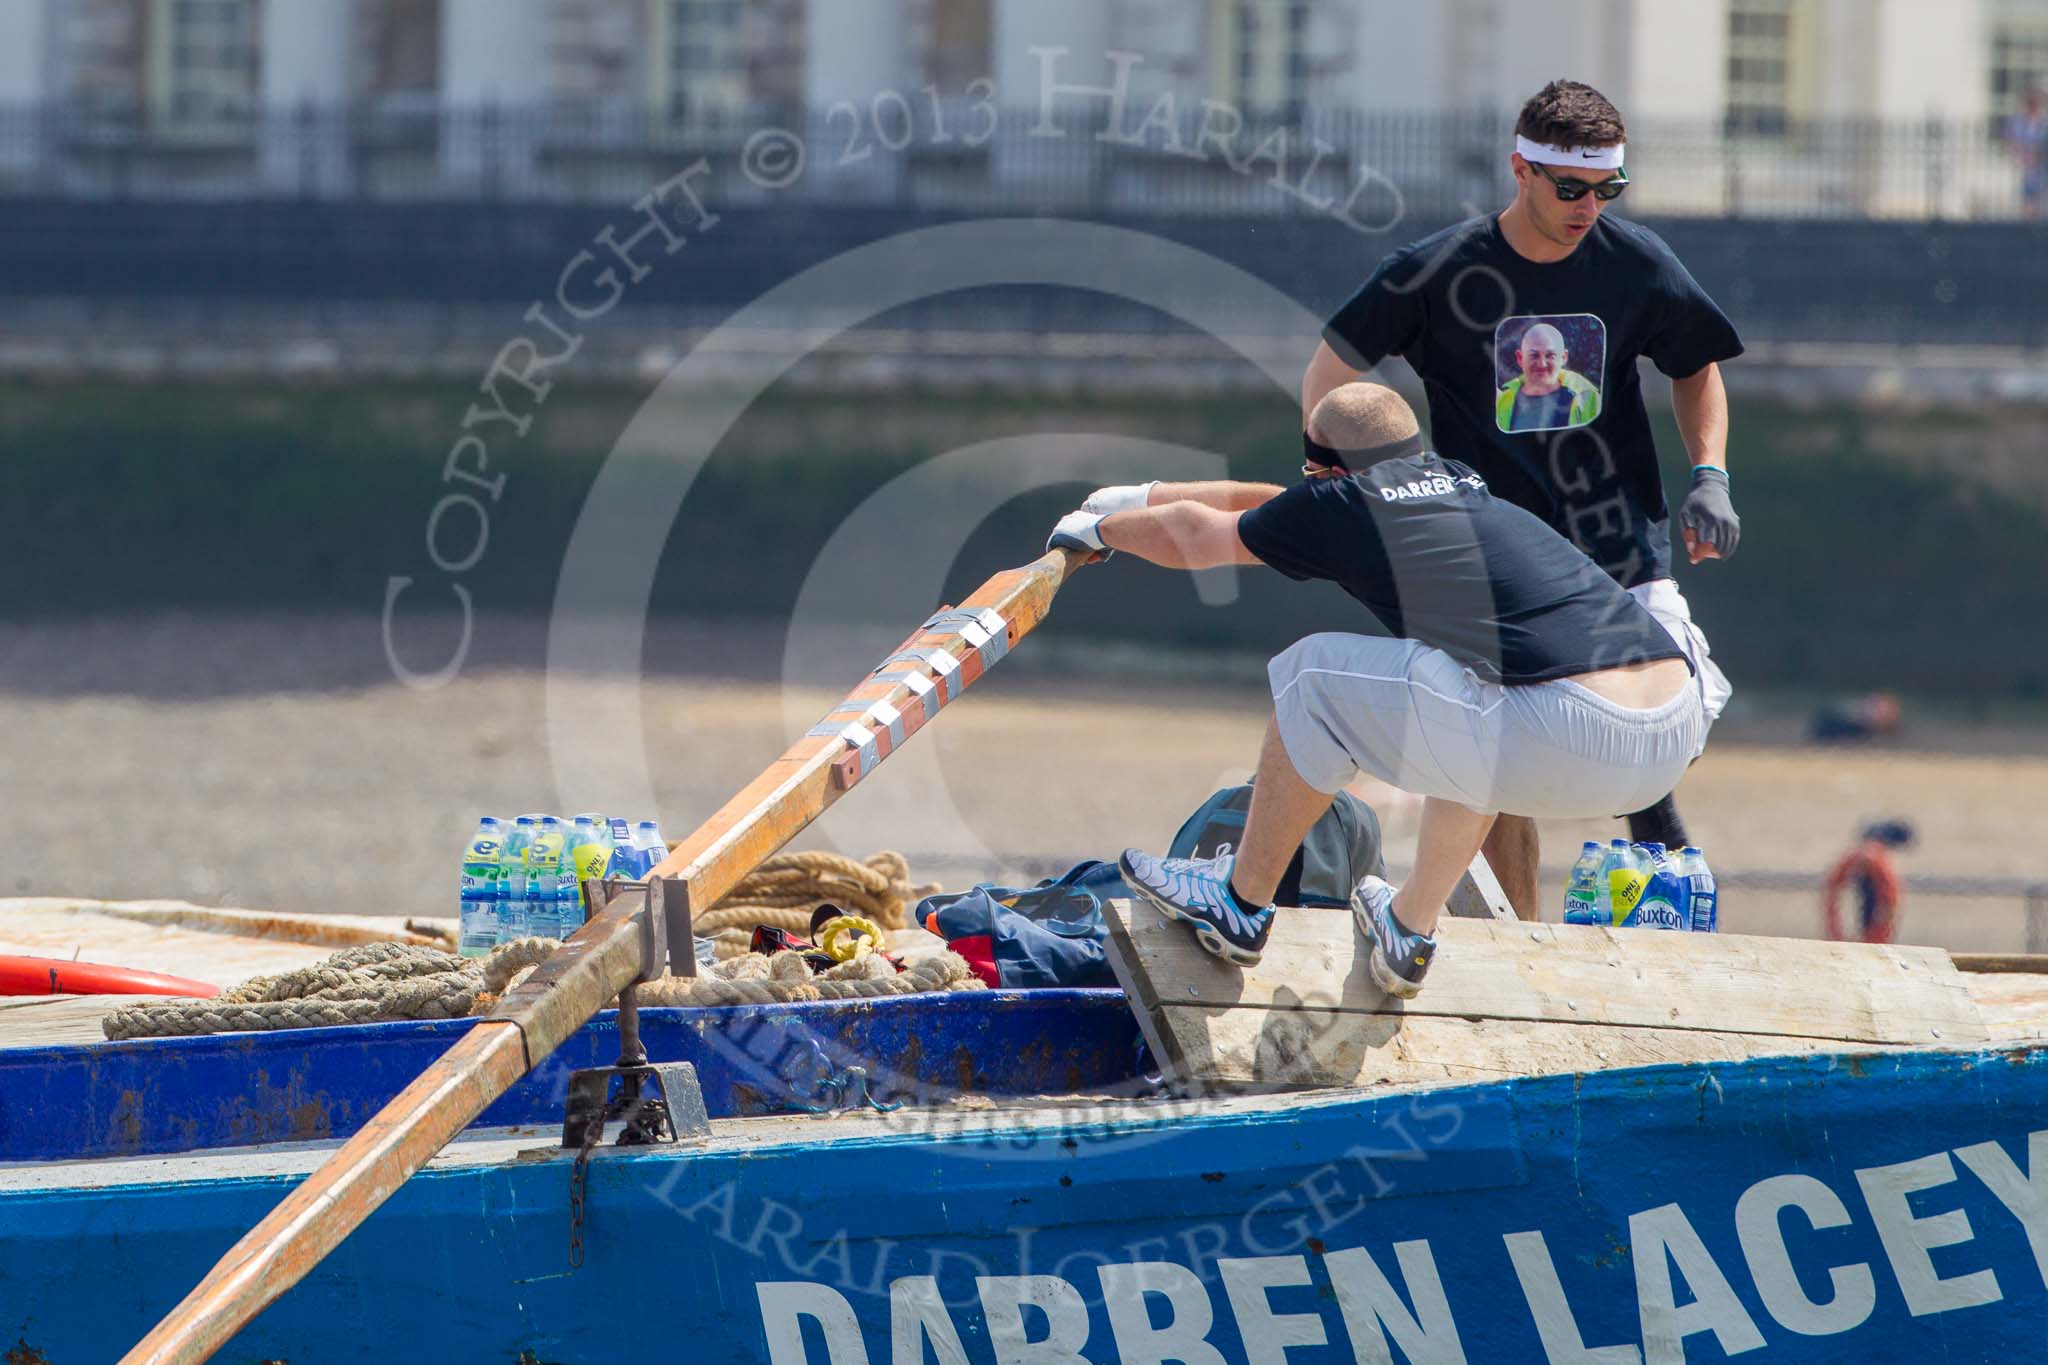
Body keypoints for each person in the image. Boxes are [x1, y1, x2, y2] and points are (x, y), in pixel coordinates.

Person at [1048, 382, 1703, 996]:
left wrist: (1097, 531)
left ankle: (1240, 903)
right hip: (1671, 721)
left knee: (1310, 676)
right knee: (1460, 681)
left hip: (1568, 721)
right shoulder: (1455, 482)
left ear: (1326, 474)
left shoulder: (1341, 503)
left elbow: (1199, 534)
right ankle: (1408, 929)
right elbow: (1281, 503)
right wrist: (1144, 494)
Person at [1298, 79, 1742, 920]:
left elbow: (1695, 366)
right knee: (1490, 763)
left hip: (1617, 550)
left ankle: (1662, 872)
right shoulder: (1434, 271)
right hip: (1492, 559)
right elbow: (1330, 371)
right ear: (1521, 170)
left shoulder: (1636, 263)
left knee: (1668, 715)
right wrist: (1330, 475)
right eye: (1571, 188)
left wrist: (1710, 472)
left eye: (1608, 188)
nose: (1589, 207)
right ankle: (1521, 939)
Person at [1496, 321, 1601, 431]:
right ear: (1520, 358)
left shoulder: (1586, 398)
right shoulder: (1503, 401)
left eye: (1550, 355)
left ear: (1563, 357)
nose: (1542, 364)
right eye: (1534, 355)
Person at [1821, 821, 1914, 944]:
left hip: (1872, 889)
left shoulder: (1869, 859)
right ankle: (1867, 937)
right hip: (1871, 888)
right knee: (1870, 909)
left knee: (1870, 910)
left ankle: (1867, 936)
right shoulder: (1875, 859)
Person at [2008, 88, 2048, 221]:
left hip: (2042, 166)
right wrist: (2024, 155)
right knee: (2028, 200)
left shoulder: (2044, 122)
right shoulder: (2019, 122)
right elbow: (2012, 141)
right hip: (2026, 168)